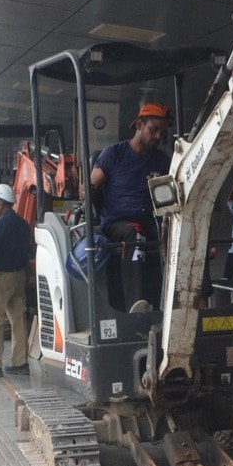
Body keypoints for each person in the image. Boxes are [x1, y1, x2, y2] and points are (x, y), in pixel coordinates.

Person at [90, 101, 172, 311]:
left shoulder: (161, 160)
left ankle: (194, 298)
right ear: (138, 125)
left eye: (161, 133)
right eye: (153, 130)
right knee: (135, 234)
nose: (157, 137)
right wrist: (88, 191)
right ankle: (135, 303)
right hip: (119, 223)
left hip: (151, 220)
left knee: (183, 232)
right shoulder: (113, 154)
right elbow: (90, 185)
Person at [0, 183, 32, 378]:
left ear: (1, 203)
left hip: (0, 277)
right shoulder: (23, 223)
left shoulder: (1, 223)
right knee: (18, 320)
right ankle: (20, 362)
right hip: (19, 276)